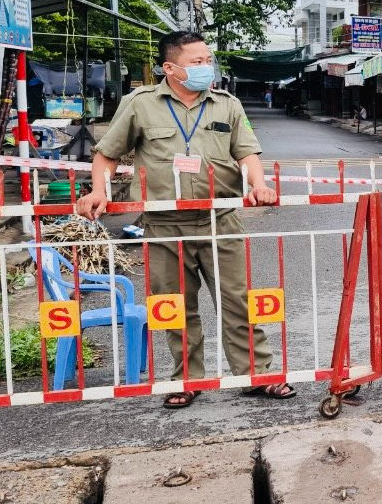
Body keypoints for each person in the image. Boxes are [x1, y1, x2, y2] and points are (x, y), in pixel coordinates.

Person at [76, 30, 292, 408]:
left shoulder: (226, 104)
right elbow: (107, 154)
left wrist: (259, 185)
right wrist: (98, 191)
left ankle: (258, 374)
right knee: (174, 306)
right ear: (170, 68)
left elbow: (247, 155)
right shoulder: (140, 103)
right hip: (163, 223)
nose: (205, 67)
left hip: (219, 218)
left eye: (207, 60)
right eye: (196, 62)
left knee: (238, 302)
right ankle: (186, 379)